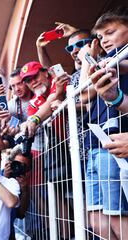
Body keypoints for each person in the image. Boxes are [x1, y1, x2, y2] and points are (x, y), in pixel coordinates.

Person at [82, 6, 128, 239]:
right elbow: (83, 94)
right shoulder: (108, 60)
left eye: (110, 32)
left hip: (118, 139)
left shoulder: (119, 60)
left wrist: (110, 64)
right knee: (99, 221)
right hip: (98, 142)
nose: (104, 40)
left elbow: (82, 95)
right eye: (100, 37)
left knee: (118, 217)